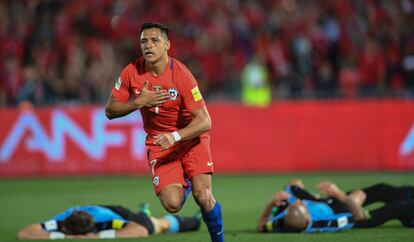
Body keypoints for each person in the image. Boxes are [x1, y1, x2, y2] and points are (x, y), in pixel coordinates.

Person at [104, 22, 223, 242]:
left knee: (204, 197)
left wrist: (176, 136)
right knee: (172, 205)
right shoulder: (132, 72)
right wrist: (138, 102)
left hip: (190, 138)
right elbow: (110, 110)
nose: (148, 46)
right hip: (159, 143)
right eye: (143, 41)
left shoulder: (182, 75)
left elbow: (205, 121)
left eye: (154, 40)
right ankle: (187, 177)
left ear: (167, 45)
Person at [257, 179, 414, 233]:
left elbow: (261, 226)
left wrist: (271, 203)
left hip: (325, 203)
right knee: (397, 207)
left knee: (381, 189)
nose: (297, 202)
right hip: (346, 210)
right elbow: (357, 216)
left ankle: (409, 195)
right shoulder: (329, 220)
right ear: (307, 217)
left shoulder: (282, 222)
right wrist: (338, 193)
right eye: (299, 205)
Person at [17, 204, 201, 240]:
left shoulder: (105, 222)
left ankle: (195, 220)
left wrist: (98, 237)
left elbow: (139, 231)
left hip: (120, 214)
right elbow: (25, 233)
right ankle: (144, 209)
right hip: (95, 212)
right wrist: (60, 237)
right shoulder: (63, 221)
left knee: (157, 225)